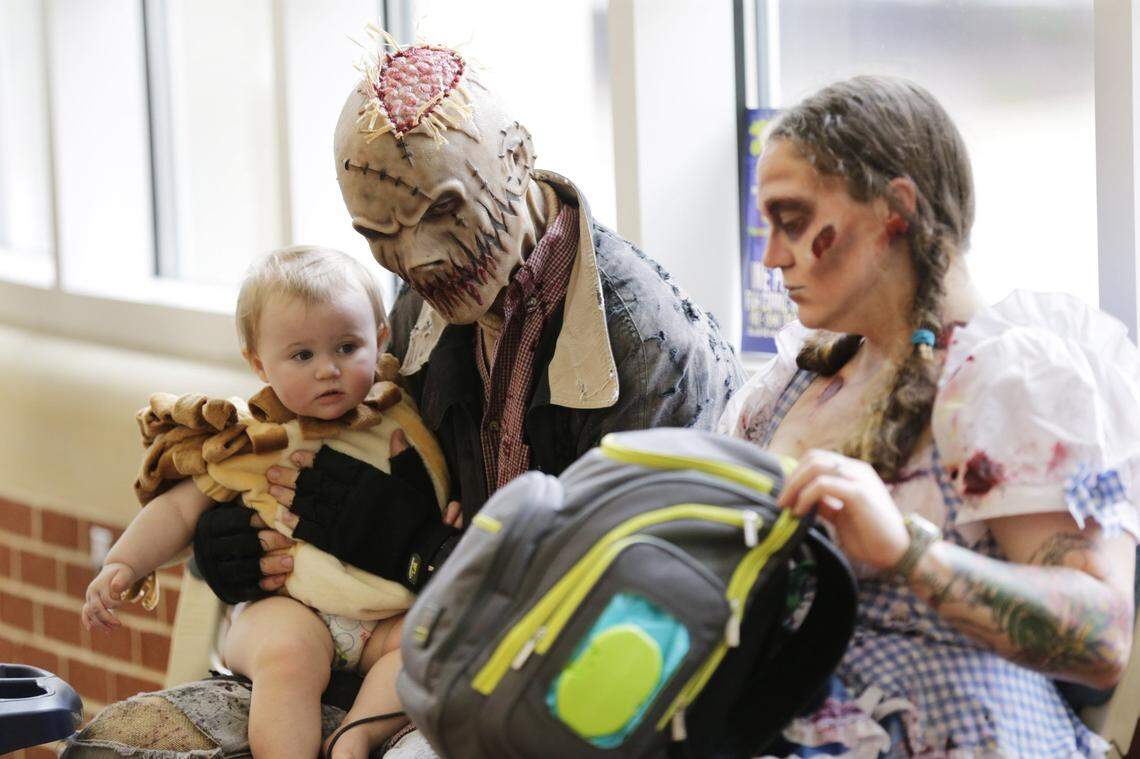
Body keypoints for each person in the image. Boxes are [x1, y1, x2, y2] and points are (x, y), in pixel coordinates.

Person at [63, 32, 740, 758]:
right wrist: (225, 548)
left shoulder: (642, 342)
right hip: (388, 662)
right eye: (380, 235)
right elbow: (310, 461)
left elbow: (645, 611)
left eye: (443, 212)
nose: (415, 257)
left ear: (517, 156)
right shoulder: (426, 301)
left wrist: (423, 551)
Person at [719, 75, 1139, 756]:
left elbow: (1102, 638)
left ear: (896, 209)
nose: (771, 256)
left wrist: (907, 551)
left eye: (792, 221)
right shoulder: (793, 383)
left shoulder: (1009, 379)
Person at [81, 246, 455, 759]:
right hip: (291, 609)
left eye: (347, 347)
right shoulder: (260, 439)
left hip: (384, 617)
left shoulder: (404, 415)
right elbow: (180, 509)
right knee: (290, 657)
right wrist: (124, 562)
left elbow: (443, 494)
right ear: (259, 363)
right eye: (303, 355)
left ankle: (355, 739)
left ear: (381, 336)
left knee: (428, 644)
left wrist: (444, 525)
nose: (328, 370)